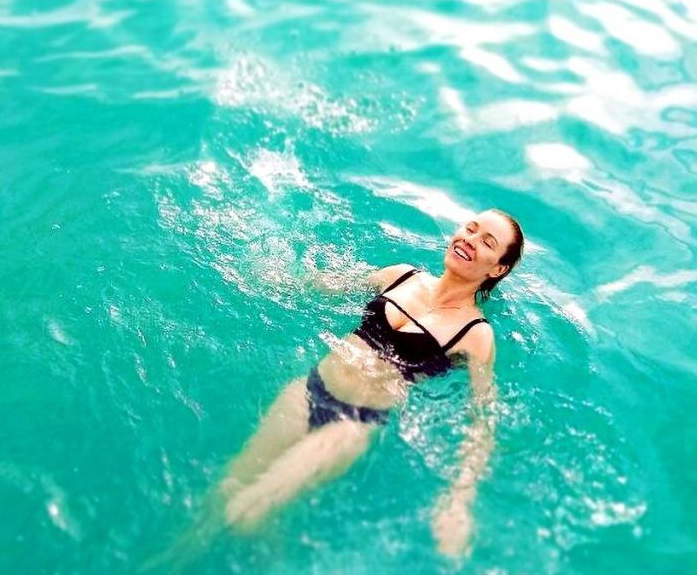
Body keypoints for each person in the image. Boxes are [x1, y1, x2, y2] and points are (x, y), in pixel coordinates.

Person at [218, 208, 524, 556]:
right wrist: (266, 275)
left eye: (487, 242)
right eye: (470, 228)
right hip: (308, 390)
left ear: (497, 269)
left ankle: (264, 549)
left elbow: (483, 419)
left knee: (247, 511)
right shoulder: (402, 276)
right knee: (226, 490)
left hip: (351, 425)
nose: (470, 239)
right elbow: (324, 285)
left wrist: (459, 500)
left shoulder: (476, 334)